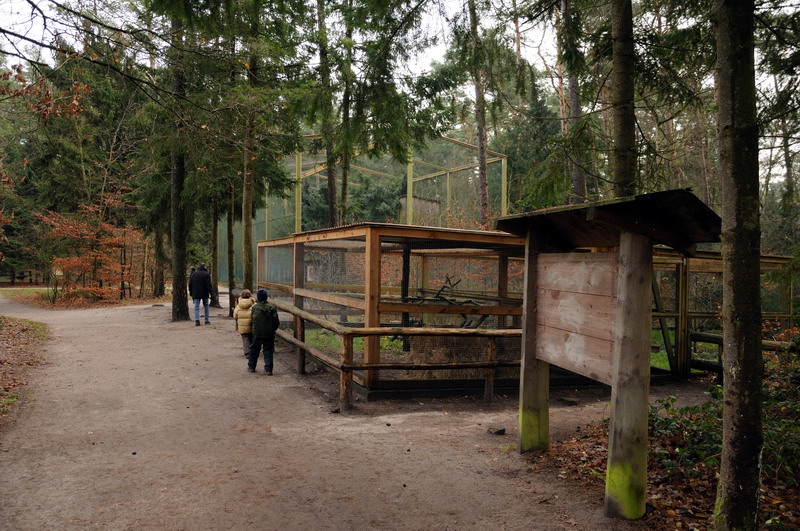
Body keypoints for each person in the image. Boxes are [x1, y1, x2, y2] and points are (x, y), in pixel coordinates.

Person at [248, 288, 280, 375]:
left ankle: (251, 366)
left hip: (257, 333)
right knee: (268, 351)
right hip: (269, 333)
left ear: (258, 298)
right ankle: (268, 369)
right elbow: (276, 321)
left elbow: (252, 319)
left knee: (254, 350)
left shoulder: (254, 308)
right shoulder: (271, 308)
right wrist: (273, 329)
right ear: (266, 297)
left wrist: (253, 330)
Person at [233, 289, 254, 357]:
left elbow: (235, 315)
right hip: (251, 324)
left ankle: (247, 352)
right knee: (251, 337)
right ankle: (252, 350)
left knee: (245, 338)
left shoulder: (238, 305)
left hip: (242, 325)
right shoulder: (253, 304)